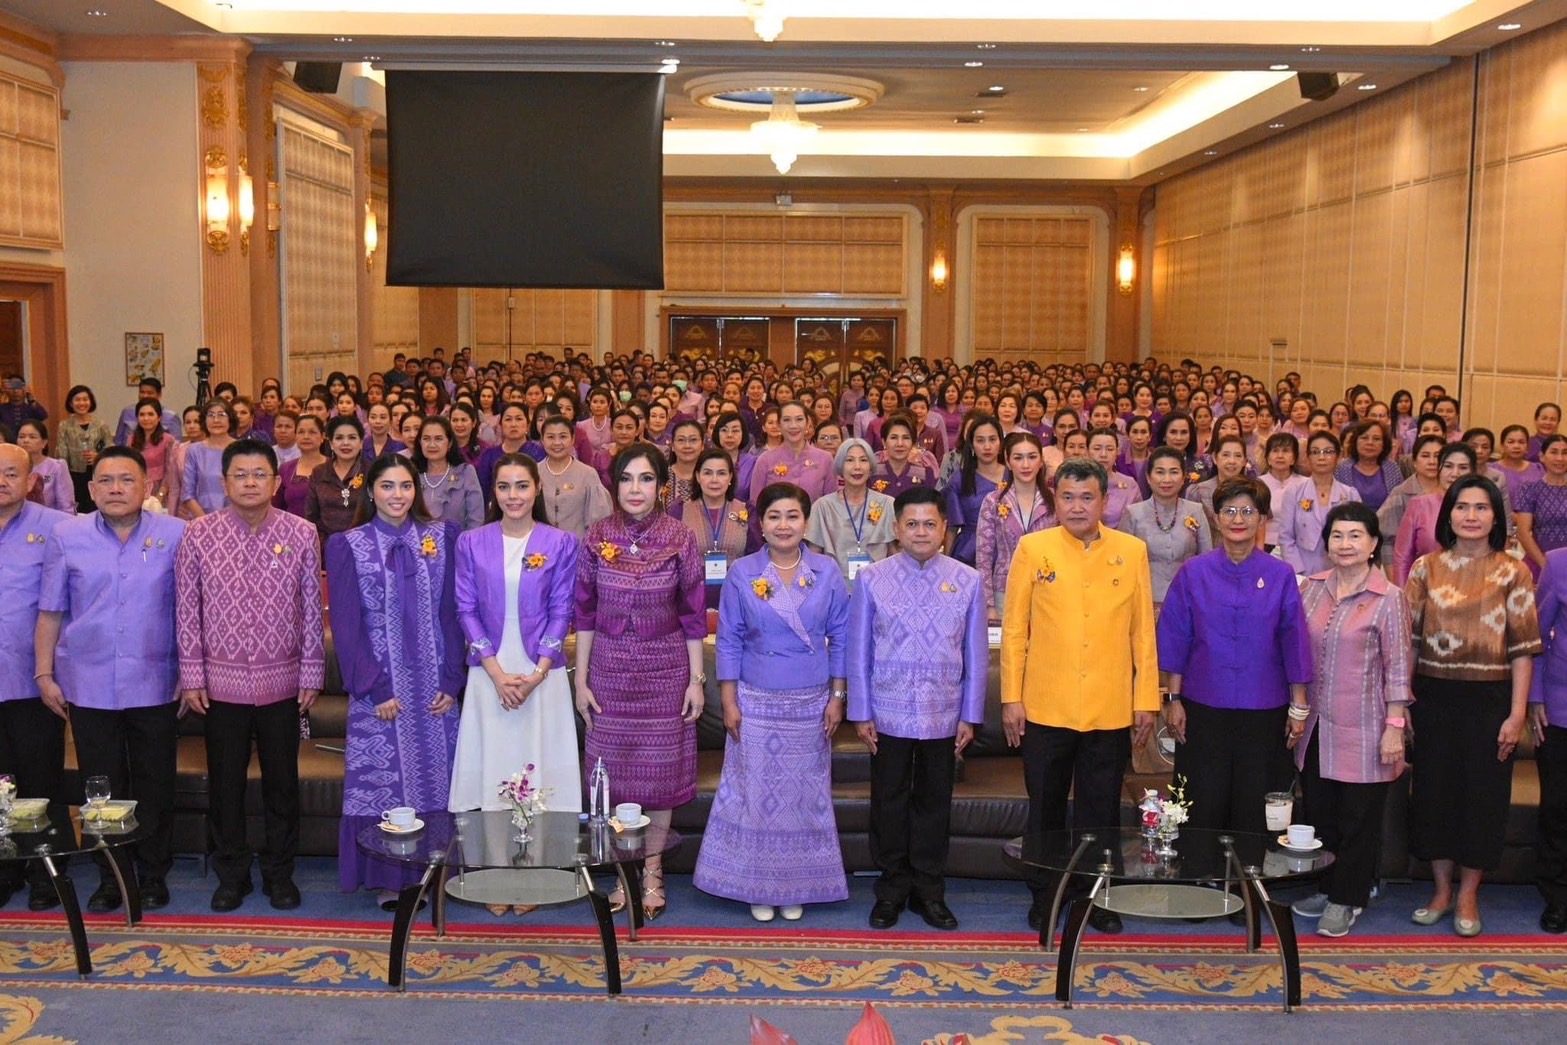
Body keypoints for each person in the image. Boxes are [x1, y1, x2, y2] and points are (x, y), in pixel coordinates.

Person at [1000, 458, 1159, 935]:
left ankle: (1098, 898)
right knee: (1045, 809)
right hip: (1044, 705)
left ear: (1104, 501)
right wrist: (1011, 697)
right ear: (1055, 500)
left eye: (1087, 497)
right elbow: (1014, 630)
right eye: (1067, 497)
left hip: (1109, 707)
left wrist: (1145, 699)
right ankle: (1045, 895)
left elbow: (1142, 634)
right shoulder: (1033, 548)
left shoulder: (1131, 551)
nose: (1076, 506)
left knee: (1101, 811)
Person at [35, 446, 186, 912]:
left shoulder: (177, 534)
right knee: (100, 788)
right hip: (88, 683)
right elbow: (51, 610)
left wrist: (192, 672)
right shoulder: (67, 536)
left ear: (147, 486)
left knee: (154, 783)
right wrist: (44, 672)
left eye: (126, 479)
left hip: (156, 680)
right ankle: (111, 876)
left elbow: (192, 610)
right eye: (105, 481)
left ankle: (153, 874)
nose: (116, 489)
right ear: (91, 488)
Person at [175, 439, 323, 912]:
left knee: (282, 784)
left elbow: (311, 607)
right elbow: (187, 609)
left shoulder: (302, 532)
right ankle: (231, 874)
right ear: (224, 483)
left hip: (284, 683)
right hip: (220, 686)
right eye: (240, 475)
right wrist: (192, 674)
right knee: (226, 785)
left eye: (260, 474)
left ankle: (280, 873)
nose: (250, 483)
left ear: (277, 482)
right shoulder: (198, 534)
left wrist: (312, 670)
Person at [695, 483, 851, 922]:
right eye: (774, 516)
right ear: (760, 525)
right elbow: (728, 640)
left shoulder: (826, 571)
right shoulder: (743, 572)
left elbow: (841, 636)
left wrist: (838, 696)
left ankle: (797, 884)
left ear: (806, 522)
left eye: (792, 516)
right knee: (756, 795)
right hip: (755, 700)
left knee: (803, 797)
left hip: (810, 702)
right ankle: (758, 885)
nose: (784, 525)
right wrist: (728, 701)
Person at [325, 454, 466, 906]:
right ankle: (391, 879)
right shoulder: (349, 545)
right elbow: (346, 625)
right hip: (379, 688)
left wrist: (453, 679)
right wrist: (373, 686)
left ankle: (437, 872)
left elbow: (452, 613)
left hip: (435, 686)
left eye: (405, 486)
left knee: (438, 780)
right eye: (387, 486)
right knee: (387, 783)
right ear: (371, 491)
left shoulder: (442, 537)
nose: (397, 495)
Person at [574, 442, 707, 920]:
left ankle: (651, 872)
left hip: (665, 671)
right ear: (614, 485)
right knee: (613, 776)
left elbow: (694, 614)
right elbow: (584, 612)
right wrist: (581, 679)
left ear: (661, 485)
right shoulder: (597, 535)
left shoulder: (680, 537)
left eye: (646, 478)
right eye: (627, 478)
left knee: (660, 775)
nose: (635, 489)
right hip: (609, 672)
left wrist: (696, 680)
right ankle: (622, 872)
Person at [1404, 475, 1540, 937]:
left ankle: (1468, 894)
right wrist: (1403, 702)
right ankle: (1441, 890)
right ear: (1449, 515)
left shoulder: (1513, 571)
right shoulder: (1425, 568)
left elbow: (1523, 649)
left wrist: (1517, 714)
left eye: (1482, 508)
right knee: (1434, 794)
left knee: (1482, 798)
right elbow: (1410, 641)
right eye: (1462, 507)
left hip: (1490, 700)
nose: (1471, 516)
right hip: (1433, 697)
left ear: (1496, 518)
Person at [847, 486, 987, 931]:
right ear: (896, 528)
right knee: (888, 803)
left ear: (945, 528)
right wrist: (861, 712)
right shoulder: (872, 578)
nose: (921, 532)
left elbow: (976, 653)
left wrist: (970, 715)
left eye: (930, 524)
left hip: (943, 713)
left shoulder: (968, 580)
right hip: (886, 712)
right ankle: (891, 890)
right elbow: (858, 650)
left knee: (934, 804)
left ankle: (929, 891)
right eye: (912, 524)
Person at [1157, 477, 1312, 838]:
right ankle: (1199, 871)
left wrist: (1299, 706)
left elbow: (1294, 639)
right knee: (1201, 802)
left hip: (1265, 707)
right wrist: (1173, 699)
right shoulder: (1194, 571)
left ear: (1262, 519)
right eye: (1229, 511)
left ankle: (1254, 873)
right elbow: (1177, 636)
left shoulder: (1281, 574)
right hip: (1203, 706)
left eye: (1247, 511)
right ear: (1216, 517)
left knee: (1256, 805)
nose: (1238, 519)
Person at [1289, 503, 1413, 938]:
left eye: (1356, 535)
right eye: (1338, 535)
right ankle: (1328, 887)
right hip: (1316, 727)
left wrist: (1395, 727)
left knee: (1358, 820)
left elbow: (1399, 666)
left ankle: (1348, 898)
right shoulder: (1311, 588)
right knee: (1321, 813)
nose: (1345, 544)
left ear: (1373, 543)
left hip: (1367, 727)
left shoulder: (1389, 597)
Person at [451, 454, 580, 817]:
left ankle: (547, 848)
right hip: (489, 669)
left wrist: (537, 675)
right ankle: (491, 847)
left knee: (544, 773)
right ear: (493, 491)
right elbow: (465, 608)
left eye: (522, 486)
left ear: (537, 488)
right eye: (504, 487)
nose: (513, 496)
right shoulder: (471, 542)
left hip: (541, 670)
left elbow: (561, 611)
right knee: (494, 763)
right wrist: (496, 674)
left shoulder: (561, 542)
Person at [0, 443, 72, 910]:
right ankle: (6, 868)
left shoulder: (57, 529)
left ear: (30, 481)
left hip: (33, 679)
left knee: (39, 777)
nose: (1, 481)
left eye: (11, 473)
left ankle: (47, 870)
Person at [1118, 446, 1212, 614]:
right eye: (1160, 472)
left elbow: (1206, 559)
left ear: (1183, 478)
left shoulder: (1196, 511)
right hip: (1144, 601)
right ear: (1148, 477)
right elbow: (1122, 564)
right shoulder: (1133, 513)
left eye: (1174, 472)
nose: (1167, 479)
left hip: (1187, 599)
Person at [976, 432, 1055, 622]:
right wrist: (989, 605)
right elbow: (983, 556)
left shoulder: (1055, 500)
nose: (1026, 465)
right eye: (1018, 458)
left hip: (1047, 589)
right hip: (1004, 590)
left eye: (1032, 457)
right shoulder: (993, 501)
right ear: (1008, 462)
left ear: (1041, 461)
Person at [1530, 546, 1567, 934]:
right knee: (1557, 806)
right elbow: (1536, 637)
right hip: (1559, 705)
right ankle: (1557, 896)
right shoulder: (1557, 563)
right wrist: (1535, 696)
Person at [806, 438, 898, 586]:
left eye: (863, 460)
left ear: (871, 466)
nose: (857, 467)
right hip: (834, 588)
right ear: (840, 466)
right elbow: (813, 558)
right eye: (849, 460)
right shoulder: (822, 507)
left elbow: (895, 556)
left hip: (878, 587)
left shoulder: (887, 504)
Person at [677, 448, 758, 610]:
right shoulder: (680, 510)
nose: (714, 480)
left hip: (737, 598)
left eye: (721, 473)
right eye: (707, 473)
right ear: (698, 476)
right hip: (691, 601)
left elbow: (755, 558)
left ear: (730, 477)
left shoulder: (746, 510)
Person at [1392, 442, 1478, 585]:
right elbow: (1402, 558)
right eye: (1448, 466)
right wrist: (1403, 594)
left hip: (1473, 586)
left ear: (1473, 472)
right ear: (1439, 469)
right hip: (1426, 586)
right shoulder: (1419, 505)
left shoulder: (1482, 508)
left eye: (1463, 468)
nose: (1455, 474)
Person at [1276, 431, 1361, 576]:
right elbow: (1285, 537)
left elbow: (1358, 536)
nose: (1321, 457)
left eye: (1328, 452)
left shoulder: (1350, 495)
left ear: (1338, 456)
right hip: (1302, 569)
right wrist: (1298, 572)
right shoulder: (1294, 492)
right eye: (1315, 452)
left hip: (1341, 569)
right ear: (1308, 457)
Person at [535, 414, 611, 541]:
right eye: (550, 437)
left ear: (572, 439)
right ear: (542, 440)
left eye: (563, 437)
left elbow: (598, 521)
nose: (557, 443)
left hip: (578, 547)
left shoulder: (588, 474)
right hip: (540, 547)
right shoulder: (533, 472)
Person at [944, 414, 1005, 567]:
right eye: (980, 440)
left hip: (1006, 551)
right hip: (969, 552)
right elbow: (952, 528)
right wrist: (945, 567)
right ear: (971, 445)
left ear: (1000, 443)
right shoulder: (960, 479)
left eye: (992, 439)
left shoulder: (1013, 477)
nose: (987, 446)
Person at [752, 401, 836, 502]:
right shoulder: (765, 460)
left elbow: (831, 503)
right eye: (787, 420)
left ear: (807, 424)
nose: (793, 426)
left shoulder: (825, 459)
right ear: (779, 425)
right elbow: (755, 502)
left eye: (799, 419)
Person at [411, 416, 484, 532]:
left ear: (449, 443)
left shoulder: (465, 472)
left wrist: (467, 543)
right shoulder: (411, 474)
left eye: (438, 439)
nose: (432, 445)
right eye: (426, 439)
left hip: (458, 542)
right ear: (420, 443)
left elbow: (476, 521)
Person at [306, 415, 366, 544]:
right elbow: (311, 515)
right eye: (339, 438)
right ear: (331, 444)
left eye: (352, 437)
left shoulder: (372, 472)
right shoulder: (319, 472)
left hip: (365, 544)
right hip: (327, 545)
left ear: (361, 443)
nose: (345, 443)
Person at [55, 384, 111, 513]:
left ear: (91, 402)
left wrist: (98, 456)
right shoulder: (64, 426)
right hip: (73, 475)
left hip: (97, 473)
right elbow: (61, 453)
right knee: (78, 509)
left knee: (97, 507)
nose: (82, 403)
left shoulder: (101, 425)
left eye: (85, 399)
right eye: (77, 400)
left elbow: (110, 448)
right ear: (71, 403)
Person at [1517, 434, 1567, 578]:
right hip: (1539, 562)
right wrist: (1547, 566)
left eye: (1565, 453)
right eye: (1554, 452)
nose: (1560, 458)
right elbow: (1523, 533)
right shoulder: (1529, 489)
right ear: (1542, 456)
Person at [181, 399, 237, 517]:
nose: (216, 420)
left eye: (221, 415)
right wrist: (207, 522)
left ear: (230, 418)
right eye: (211, 415)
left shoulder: (241, 448)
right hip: (202, 517)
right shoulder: (194, 450)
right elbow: (188, 493)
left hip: (237, 517)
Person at [1086, 427, 1143, 529]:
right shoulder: (1075, 483)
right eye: (1097, 448)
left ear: (1117, 451)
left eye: (1110, 449)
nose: (1103, 454)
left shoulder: (1130, 485)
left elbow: (1139, 523)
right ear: (1087, 451)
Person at [13, 420, 74, 514]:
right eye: (21, 437)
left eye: (32, 437)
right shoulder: (10, 466)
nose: (25, 440)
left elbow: (66, 506)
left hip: (50, 519)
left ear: (44, 443)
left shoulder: (57, 466)